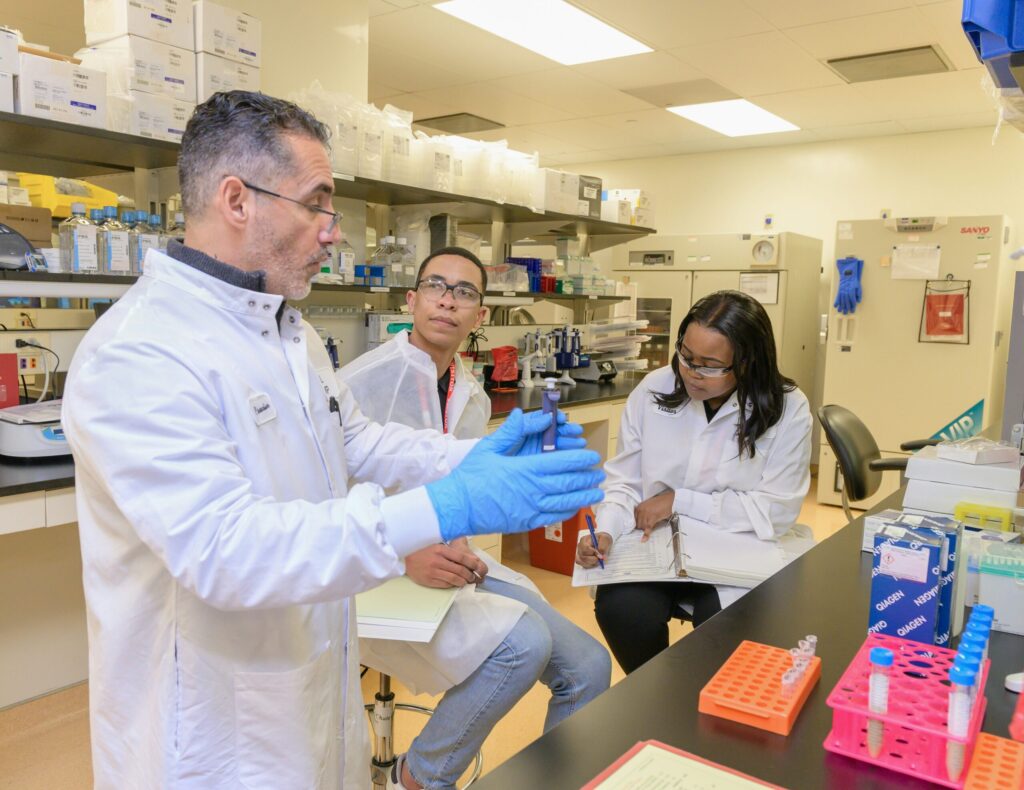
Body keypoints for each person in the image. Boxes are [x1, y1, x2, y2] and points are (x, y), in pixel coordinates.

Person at [61, 90, 605, 789]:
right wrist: (443, 508)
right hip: (209, 740)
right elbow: (227, 550)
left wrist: (477, 457)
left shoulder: (290, 333)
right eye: (316, 204)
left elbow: (357, 442)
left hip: (311, 687)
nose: (332, 232)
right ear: (237, 200)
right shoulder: (140, 353)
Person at [338, 246, 612, 789]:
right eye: (436, 286)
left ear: (480, 314)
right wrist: (404, 551)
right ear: (411, 299)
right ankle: (418, 777)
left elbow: (462, 487)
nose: (448, 301)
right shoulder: (359, 383)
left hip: (448, 564)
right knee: (523, 645)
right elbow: (323, 499)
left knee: (589, 667)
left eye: (464, 292)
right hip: (369, 572)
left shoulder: (472, 393)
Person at [576, 290, 812, 674]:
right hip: (656, 547)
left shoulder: (787, 407)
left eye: (710, 365)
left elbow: (776, 510)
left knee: (724, 631)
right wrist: (605, 529)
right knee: (622, 610)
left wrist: (678, 501)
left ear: (748, 362)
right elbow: (625, 483)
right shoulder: (653, 389)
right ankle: (656, 694)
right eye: (686, 356)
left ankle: (704, 702)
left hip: (738, 549)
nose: (691, 372)